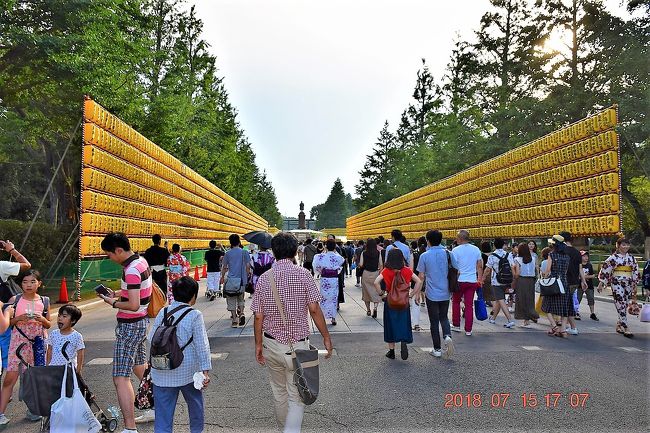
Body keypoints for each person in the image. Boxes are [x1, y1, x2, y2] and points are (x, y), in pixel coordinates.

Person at [251, 232, 333, 433]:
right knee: (296, 394)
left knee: (279, 393)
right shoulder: (304, 274)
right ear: (295, 251)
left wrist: (258, 345)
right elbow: (314, 309)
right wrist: (326, 337)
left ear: (274, 252)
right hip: (298, 346)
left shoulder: (264, 279)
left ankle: (283, 429)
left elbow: (258, 317)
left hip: (272, 344)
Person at [98, 232, 153, 431]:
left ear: (119, 250)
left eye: (109, 254)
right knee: (140, 366)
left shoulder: (130, 270)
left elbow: (132, 304)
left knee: (120, 377)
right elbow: (136, 290)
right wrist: (118, 293)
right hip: (141, 322)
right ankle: (153, 406)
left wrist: (112, 301)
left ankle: (130, 428)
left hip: (129, 325)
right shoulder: (141, 261)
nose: (109, 258)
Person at [148, 276, 211, 433]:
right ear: (193, 296)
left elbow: (151, 339)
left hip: (162, 372)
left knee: (163, 416)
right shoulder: (194, 315)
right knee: (195, 406)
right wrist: (205, 370)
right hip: (188, 371)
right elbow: (202, 344)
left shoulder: (163, 312)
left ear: (173, 294)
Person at [0, 270, 51, 426]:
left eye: (33, 282)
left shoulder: (45, 301)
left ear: (39, 284)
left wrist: (42, 319)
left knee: (33, 377)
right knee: (10, 378)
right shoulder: (15, 300)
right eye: (25, 282)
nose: (29, 285)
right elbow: (7, 323)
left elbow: (48, 324)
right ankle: (1, 414)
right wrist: (19, 318)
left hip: (37, 343)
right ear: (21, 284)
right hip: (18, 342)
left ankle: (33, 410)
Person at [374, 249, 422, 360]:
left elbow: (376, 282)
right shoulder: (406, 270)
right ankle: (403, 340)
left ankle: (391, 351)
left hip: (390, 301)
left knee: (390, 324)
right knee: (403, 322)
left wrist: (382, 294)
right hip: (404, 301)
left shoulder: (386, 271)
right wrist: (411, 294)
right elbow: (418, 281)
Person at [417, 230, 454, 358]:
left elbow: (421, 277)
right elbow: (456, 270)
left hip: (431, 292)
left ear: (428, 241)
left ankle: (437, 349)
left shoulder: (425, 256)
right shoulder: (448, 253)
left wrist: (416, 293)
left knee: (434, 321)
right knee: (444, 317)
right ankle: (447, 336)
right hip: (445, 291)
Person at [597, 237, 641, 338]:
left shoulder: (632, 258)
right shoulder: (613, 258)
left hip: (629, 281)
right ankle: (626, 327)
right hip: (617, 281)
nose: (626, 247)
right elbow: (605, 269)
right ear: (618, 245)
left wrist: (635, 284)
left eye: (627, 244)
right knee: (620, 301)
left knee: (625, 303)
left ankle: (619, 323)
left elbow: (635, 271)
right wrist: (601, 283)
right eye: (623, 244)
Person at [0, 240, 30, 377]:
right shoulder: (2, 266)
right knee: (6, 346)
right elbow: (26, 265)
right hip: (4, 315)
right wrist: (11, 250)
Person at [450, 230, 484, 335]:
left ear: (460, 239)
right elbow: (480, 265)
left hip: (459, 280)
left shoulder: (455, 250)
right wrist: (480, 279)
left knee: (456, 302)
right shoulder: (476, 249)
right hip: (472, 280)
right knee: (469, 305)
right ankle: (468, 329)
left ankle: (456, 324)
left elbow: (454, 267)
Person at [541, 235, 574, 338]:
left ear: (554, 244)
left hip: (553, 283)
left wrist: (544, 276)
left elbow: (547, 271)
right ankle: (563, 330)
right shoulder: (567, 256)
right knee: (564, 307)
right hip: (564, 282)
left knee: (546, 306)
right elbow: (566, 270)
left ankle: (555, 327)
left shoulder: (551, 255)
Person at [220, 234, 252, 328]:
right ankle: (241, 313)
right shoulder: (244, 252)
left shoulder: (228, 253)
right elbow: (248, 266)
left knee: (231, 299)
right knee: (241, 298)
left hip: (231, 280)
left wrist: (222, 277)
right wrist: (247, 274)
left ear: (230, 243)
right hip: (242, 280)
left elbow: (224, 267)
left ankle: (234, 319)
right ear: (239, 242)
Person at [484, 238, 515, 329]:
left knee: (501, 300)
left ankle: (510, 320)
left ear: (494, 245)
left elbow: (487, 269)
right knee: (498, 300)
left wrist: (482, 278)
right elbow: (512, 266)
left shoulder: (492, 256)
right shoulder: (508, 254)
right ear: (503, 245)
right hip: (507, 280)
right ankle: (493, 318)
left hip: (496, 281)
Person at [558, 231, 586, 333]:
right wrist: (583, 281)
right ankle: (571, 327)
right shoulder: (576, 252)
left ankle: (567, 328)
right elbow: (580, 268)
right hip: (574, 281)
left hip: (564, 281)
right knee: (568, 304)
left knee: (564, 305)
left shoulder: (562, 251)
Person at [313, 239, 345, 326]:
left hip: (325, 280)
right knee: (333, 299)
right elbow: (342, 260)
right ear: (335, 247)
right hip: (334, 279)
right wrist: (335, 251)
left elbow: (315, 266)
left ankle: (323, 317)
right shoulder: (337, 257)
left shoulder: (320, 256)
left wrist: (320, 271)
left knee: (324, 298)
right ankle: (333, 318)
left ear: (325, 246)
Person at [46, 304, 85, 373]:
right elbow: (49, 350)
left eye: (64, 316)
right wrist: (48, 366)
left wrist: (78, 370)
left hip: (69, 370)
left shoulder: (77, 336)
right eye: (59, 315)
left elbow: (80, 354)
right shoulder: (54, 333)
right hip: (53, 369)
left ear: (73, 320)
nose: (60, 318)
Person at [512, 242, 539, 327]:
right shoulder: (533, 259)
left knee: (521, 300)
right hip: (531, 281)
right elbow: (535, 270)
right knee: (530, 300)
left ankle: (526, 320)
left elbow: (517, 274)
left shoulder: (517, 259)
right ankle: (529, 317)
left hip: (521, 281)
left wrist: (512, 269)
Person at [359, 238, 383, 318]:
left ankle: (368, 309)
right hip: (375, 274)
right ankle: (375, 308)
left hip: (366, 274)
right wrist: (380, 273)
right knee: (376, 292)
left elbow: (361, 264)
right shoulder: (378, 253)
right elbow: (381, 264)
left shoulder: (364, 253)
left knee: (366, 292)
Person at [578, 251, 598, 321]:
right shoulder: (578, 265)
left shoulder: (589, 265)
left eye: (587, 256)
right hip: (579, 285)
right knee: (578, 298)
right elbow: (578, 277)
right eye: (584, 256)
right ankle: (576, 311)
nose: (586, 258)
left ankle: (592, 313)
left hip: (589, 285)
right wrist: (585, 277)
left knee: (591, 298)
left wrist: (584, 277)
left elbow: (593, 275)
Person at [480, 241, 495, 312]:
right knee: (492, 291)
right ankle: (492, 304)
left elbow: (482, 266)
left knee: (485, 291)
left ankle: (489, 304)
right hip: (493, 274)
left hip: (485, 274)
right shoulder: (493, 255)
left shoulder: (482, 255)